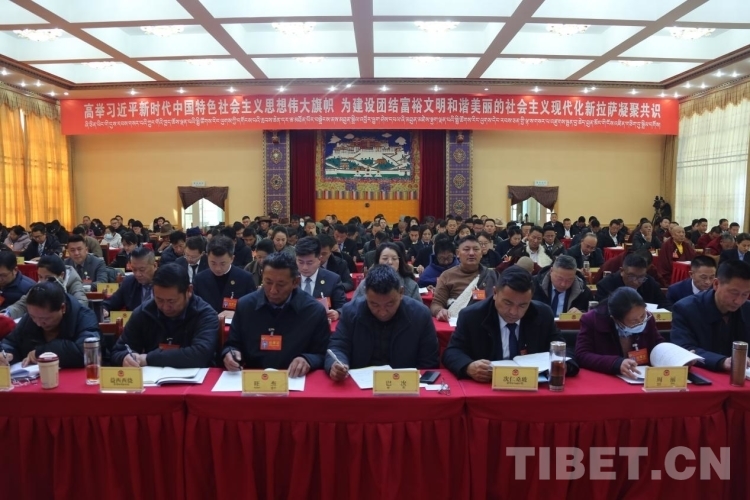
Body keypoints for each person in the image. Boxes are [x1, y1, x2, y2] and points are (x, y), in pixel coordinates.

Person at [442, 266, 578, 381]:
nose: (514, 312)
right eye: (508, 303)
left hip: (533, 386)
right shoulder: (472, 316)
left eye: (522, 305)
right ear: (495, 293)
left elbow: (564, 349)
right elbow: (452, 352)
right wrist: (468, 367)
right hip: (488, 387)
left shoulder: (542, 314)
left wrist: (562, 365)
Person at [221, 252, 330, 377]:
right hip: (254, 378)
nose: (273, 290)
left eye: (280, 284)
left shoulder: (313, 311)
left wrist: (308, 359)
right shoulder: (245, 305)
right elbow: (232, 344)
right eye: (268, 282)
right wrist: (230, 353)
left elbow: (323, 353)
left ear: (295, 282)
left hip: (294, 378)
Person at [326, 265, 439, 380]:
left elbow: (428, 361)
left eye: (390, 304)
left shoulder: (420, 315)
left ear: (401, 292)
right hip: (359, 383)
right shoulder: (351, 312)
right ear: (365, 293)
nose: (383, 312)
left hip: (404, 383)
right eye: (374, 304)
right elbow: (338, 346)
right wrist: (337, 364)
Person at [110, 263, 219, 368]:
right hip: (151, 378)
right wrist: (125, 357)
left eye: (171, 301)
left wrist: (149, 358)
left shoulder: (205, 314)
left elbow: (201, 355)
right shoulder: (144, 312)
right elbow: (119, 350)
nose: (165, 307)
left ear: (189, 291)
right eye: (159, 300)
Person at [671, 260, 750, 372]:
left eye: (745, 294)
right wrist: (722, 361)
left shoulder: (747, 309)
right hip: (701, 373)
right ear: (716, 284)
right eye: (734, 293)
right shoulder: (686, 308)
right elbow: (684, 348)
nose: (738, 301)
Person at [0, 281, 99, 368]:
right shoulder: (31, 318)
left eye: (45, 319)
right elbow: (11, 342)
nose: (38, 323)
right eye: (33, 317)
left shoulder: (84, 317)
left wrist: (42, 353)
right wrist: (6, 354)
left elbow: (86, 352)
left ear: (62, 308)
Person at [575, 287, 666, 378]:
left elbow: (658, 345)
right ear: (615, 319)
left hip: (641, 377)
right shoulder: (593, 320)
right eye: (634, 321)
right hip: (606, 378)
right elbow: (582, 355)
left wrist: (668, 353)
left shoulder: (648, 319)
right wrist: (616, 363)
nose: (641, 322)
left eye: (642, 316)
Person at [192, 236, 256, 320]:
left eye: (223, 263)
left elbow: (253, 308)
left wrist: (237, 313)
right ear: (207, 257)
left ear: (232, 259)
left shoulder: (245, 278)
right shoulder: (199, 279)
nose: (217, 268)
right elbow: (193, 308)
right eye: (213, 263)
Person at [3, 255, 88, 319]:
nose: (43, 281)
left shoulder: (74, 282)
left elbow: (81, 304)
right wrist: (7, 314)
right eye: (40, 276)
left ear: (61, 275)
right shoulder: (40, 284)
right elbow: (23, 304)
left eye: (48, 278)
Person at [432, 235, 491, 321]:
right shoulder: (447, 276)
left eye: (476, 249)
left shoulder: (491, 275)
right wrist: (440, 311)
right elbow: (436, 303)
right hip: (455, 322)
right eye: (466, 249)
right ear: (457, 253)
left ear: (481, 253)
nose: (471, 253)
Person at [295, 236, 346, 322]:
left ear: (319, 259)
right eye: (300, 262)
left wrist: (338, 312)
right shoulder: (288, 278)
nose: (304, 267)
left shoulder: (332, 279)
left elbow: (342, 306)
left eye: (309, 263)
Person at [596, 253, 671, 310]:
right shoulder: (606, 284)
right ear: (622, 271)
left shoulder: (650, 282)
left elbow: (665, 305)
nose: (635, 282)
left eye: (641, 277)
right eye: (631, 276)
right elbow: (602, 310)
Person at [352, 242, 421, 302]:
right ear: (378, 261)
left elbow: (417, 311)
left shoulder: (410, 285)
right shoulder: (365, 284)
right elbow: (354, 308)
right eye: (385, 258)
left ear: (399, 262)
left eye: (394, 258)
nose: (390, 262)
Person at [103, 247, 157, 314]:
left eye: (142, 270)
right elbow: (110, 303)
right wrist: (104, 309)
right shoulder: (129, 283)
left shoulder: (166, 283)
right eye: (134, 269)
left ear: (155, 266)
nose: (137, 274)